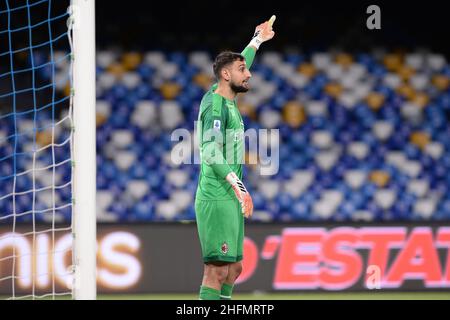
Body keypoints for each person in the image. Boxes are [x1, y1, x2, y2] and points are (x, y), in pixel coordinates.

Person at [195, 18, 275, 300]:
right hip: (218, 195)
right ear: (226, 76)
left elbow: (241, 62)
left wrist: (257, 39)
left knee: (234, 269)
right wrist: (239, 187)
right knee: (216, 271)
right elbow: (210, 151)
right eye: (243, 70)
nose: (249, 74)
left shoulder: (227, 99)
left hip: (229, 196)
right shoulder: (217, 107)